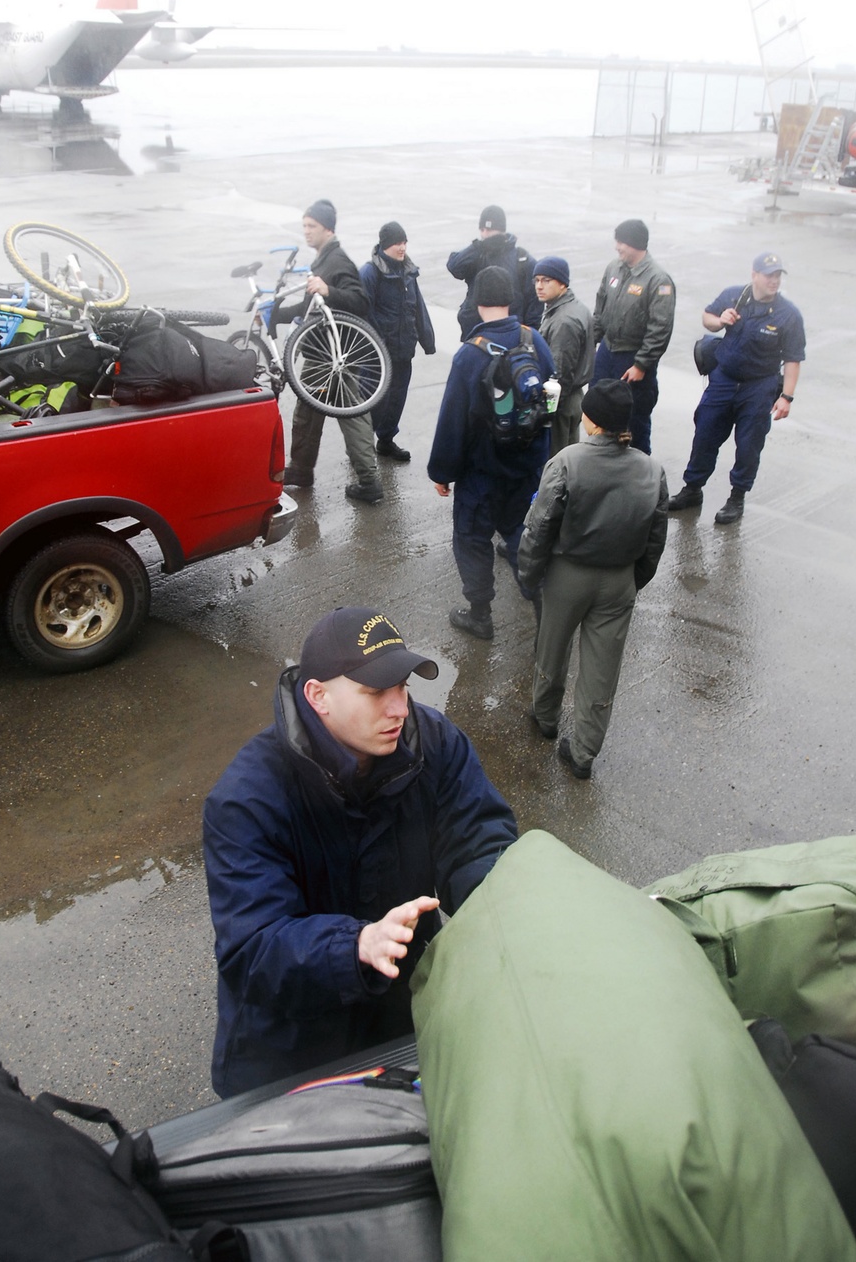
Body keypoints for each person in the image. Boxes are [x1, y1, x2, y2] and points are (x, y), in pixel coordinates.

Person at [203, 605, 518, 1095]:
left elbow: (477, 839)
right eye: (375, 692)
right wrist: (356, 947)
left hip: (402, 1023)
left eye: (403, 687)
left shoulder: (435, 745)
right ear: (318, 696)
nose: (399, 709)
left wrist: (511, 903)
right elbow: (253, 947)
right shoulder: (247, 799)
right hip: (290, 1057)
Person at [518, 380, 668, 780]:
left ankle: (546, 717)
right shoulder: (652, 470)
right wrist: (633, 579)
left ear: (592, 420)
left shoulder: (567, 462)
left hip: (568, 575)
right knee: (602, 670)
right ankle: (584, 752)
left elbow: (540, 526)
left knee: (552, 649)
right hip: (619, 580)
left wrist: (529, 573)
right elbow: (655, 538)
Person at [428, 264, 555, 640]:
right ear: (511, 300)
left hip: (481, 475)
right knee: (520, 535)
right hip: (526, 469)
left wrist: (442, 472)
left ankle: (480, 615)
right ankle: (543, 606)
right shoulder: (534, 340)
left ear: (477, 302)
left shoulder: (469, 356)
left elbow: (454, 421)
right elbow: (549, 399)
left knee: (471, 540)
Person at [667, 251, 805, 525]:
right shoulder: (734, 296)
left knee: (749, 445)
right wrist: (720, 321)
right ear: (754, 275)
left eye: (778, 276)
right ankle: (692, 489)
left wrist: (786, 397)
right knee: (705, 433)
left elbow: (793, 359)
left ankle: (737, 497)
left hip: (758, 387)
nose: (774, 281)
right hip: (724, 380)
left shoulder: (788, 315)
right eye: (769, 275)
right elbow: (707, 316)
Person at [281, 200, 384, 504]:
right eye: (304, 226)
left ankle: (368, 482)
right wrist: (276, 315)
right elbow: (308, 308)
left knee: (350, 415)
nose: (306, 231)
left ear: (328, 228)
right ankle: (301, 470)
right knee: (309, 414)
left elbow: (360, 301)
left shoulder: (338, 261)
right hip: (322, 353)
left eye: (311, 226)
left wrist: (330, 290)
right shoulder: (323, 260)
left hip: (334, 357)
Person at [591, 219, 675, 455]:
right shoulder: (613, 268)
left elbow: (661, 327)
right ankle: (600, 460)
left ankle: (640, 467)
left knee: (634, 419)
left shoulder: (658, 280)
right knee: (598, 409)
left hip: (632, 358)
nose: (617, 247)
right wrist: (592, 341)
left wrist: (641, 365)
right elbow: (600, 306)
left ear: (635, 244)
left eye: (621, 243)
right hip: (607, 351)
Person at [358, 221, 436, 463]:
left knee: (396, 399)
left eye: (404, 242)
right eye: (397, 243)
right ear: (384, 245)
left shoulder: (408, 272)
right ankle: (360, 447)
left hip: (403, 350)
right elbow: (362, 312)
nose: (402, 248)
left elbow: (418, 307)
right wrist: (377, 342)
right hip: (377, 354)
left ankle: (386, 440)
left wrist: (427, 340)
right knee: (373, 401)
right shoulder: (370, 273)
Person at [446, 205, 541, 341]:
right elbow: (454, 267)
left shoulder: (522, 260)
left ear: (501, 231)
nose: (485, 234)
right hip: (476, 334)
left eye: (490, 230)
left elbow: (534, 304)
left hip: (511, 337)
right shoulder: (477, 254)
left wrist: (529, 338)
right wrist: (478, 246)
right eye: (482, 229)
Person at [532, 255, 595, 455]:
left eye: (546, 280)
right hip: (571, 398)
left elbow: (559, 374)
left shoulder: (564, 321)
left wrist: (546, 412)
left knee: (556, 461)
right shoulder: (571, 307)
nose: (539, 286)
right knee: (567, 457)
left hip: (561, 402)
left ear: (562, 284)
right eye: (537, 280)